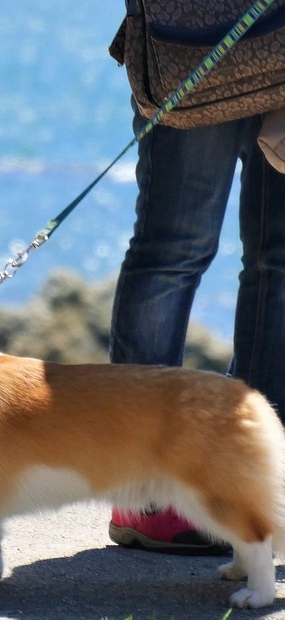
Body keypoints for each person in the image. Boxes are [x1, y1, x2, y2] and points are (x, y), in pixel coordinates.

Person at [106, 101, 285, 554]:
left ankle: (259, 478)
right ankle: (143, 487)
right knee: (173, 249)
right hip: (199, 45)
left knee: (279, 260)